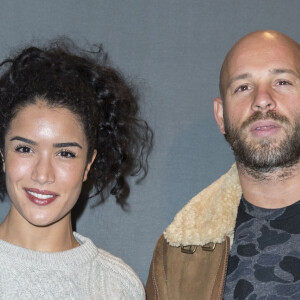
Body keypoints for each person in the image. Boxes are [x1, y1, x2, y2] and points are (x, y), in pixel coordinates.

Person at [146, 30, 300, 299]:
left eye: (282, 82)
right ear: (221, 116)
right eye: (243, 87)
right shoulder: (180, 252)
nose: (262, 99)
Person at [0, 39, 151, 299]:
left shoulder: (118, 287)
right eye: (25, 149)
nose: (42, 174)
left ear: (88, 164)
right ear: (3, 154)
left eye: (65, 153)